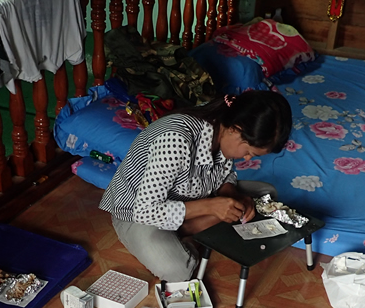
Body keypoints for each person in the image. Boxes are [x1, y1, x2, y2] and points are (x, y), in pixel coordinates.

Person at [99, 90, 292, 281]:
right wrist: (211, 206)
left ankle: (191, 228)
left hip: (191, 195)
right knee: (177, 269)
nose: (247, 158)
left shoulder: (223, 123)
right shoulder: (175, 140)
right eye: (249, 152)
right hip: (138, 212)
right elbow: (146, 210)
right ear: (235, 129)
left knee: (267, 194)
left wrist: (230, 193)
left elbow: (223, 174)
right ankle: (188, 232)